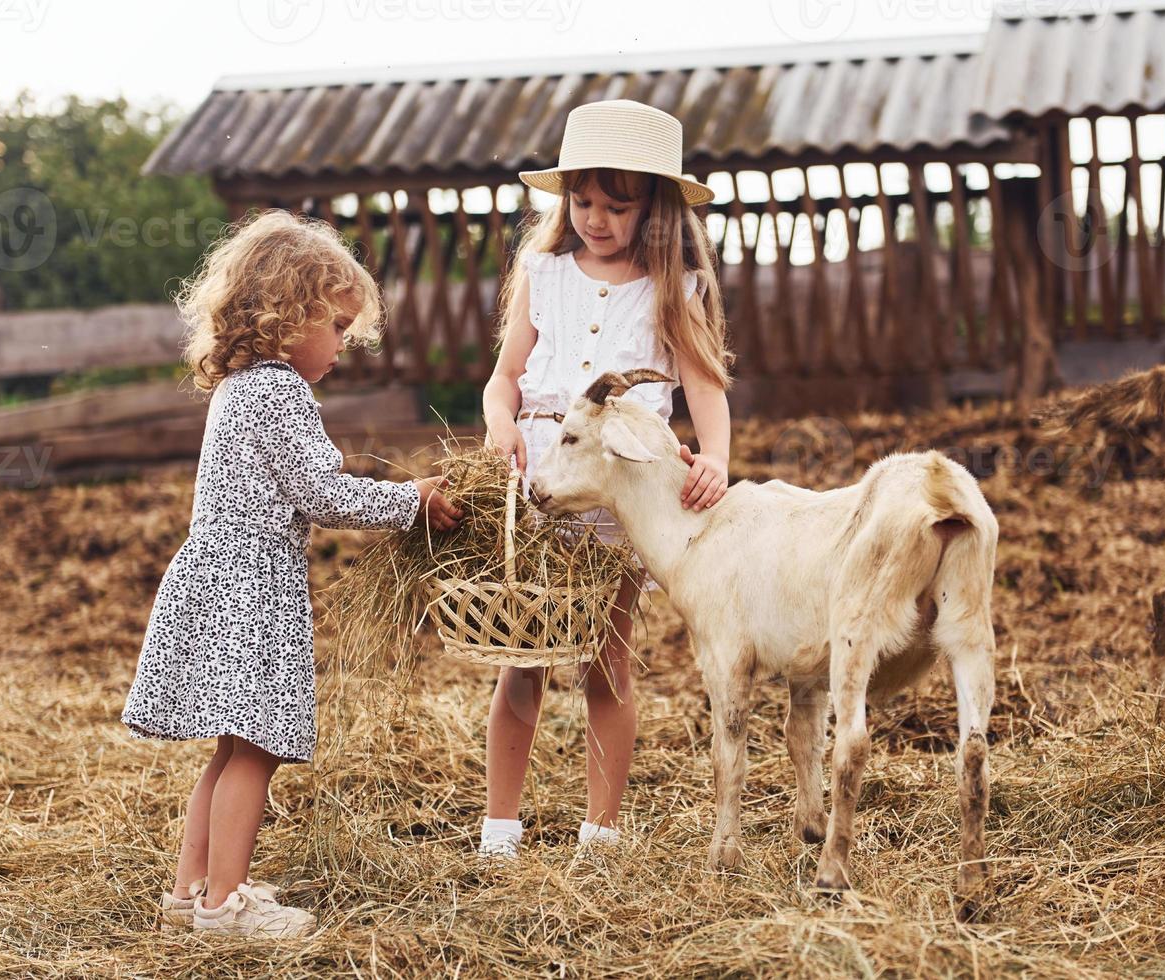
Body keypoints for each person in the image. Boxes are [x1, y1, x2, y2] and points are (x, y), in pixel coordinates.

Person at [120, 210, 462, 937]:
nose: (344, 344)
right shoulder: (279, 392)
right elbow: (322, 495)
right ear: (287, 313)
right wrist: (413, 500)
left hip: (220, 576)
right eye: (336, 325)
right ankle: (223, 906)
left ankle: (192, 892)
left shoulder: (239, 388)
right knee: (257, 748)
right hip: (248, 588)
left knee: (230, 745)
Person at [479, 100, 735, 858]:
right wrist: (499, 423)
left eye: (617, 205)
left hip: (621, 494)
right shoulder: (543, 272)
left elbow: (706, 388)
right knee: (521, 654)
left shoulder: (672, 287)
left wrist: (715, 456)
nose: (595, 218)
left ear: (654, 209)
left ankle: (602, 832)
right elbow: (504, 377)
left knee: (606, 657)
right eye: (583, 201)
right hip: (540, 484)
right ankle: (499, 830)